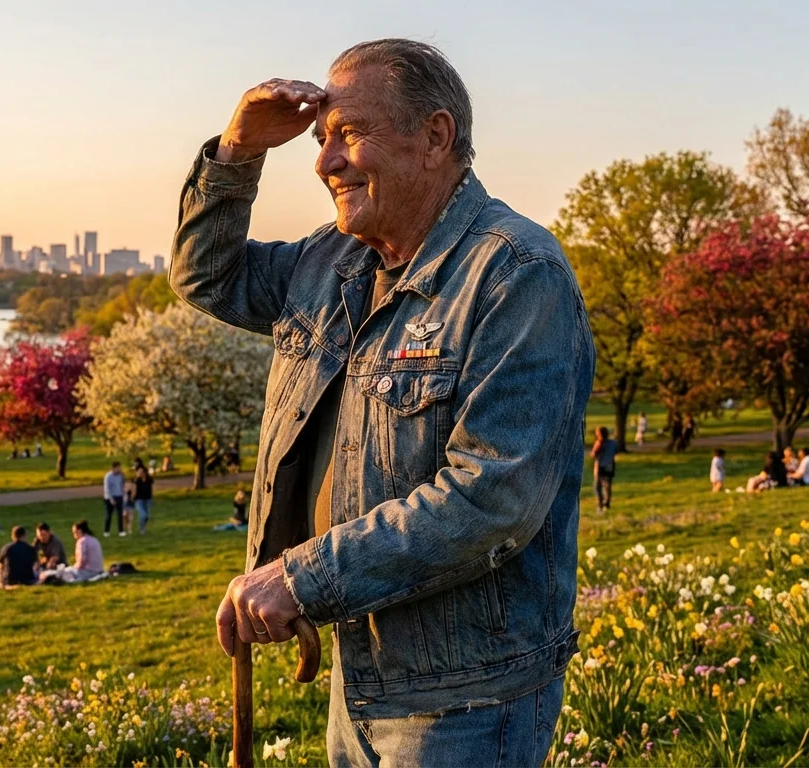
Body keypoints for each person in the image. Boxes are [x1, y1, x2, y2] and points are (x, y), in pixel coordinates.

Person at [173, 40, 591, 764]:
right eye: (319, 139)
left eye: (348, 133)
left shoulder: (516, 275)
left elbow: (492, 497)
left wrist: (302, 579)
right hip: (360, 674)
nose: (324, 162)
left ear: (434, 137)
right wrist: (238, 152)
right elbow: (207, 277)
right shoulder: (330, 262)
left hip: (467, 699)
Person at [590, 427, 618, 513]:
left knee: (598, 486)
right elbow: (616, 451)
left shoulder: (599, 443)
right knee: (607, 486)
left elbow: (593, 454)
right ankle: (607, 503)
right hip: (610, 466)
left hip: (600, 467)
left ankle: (600, 504)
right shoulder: (613, 443)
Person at [102, 462, 127, 536]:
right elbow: (107, 489)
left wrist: (124, 495)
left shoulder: (121, 476)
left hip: (119, 496)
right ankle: (106, 531)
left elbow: (122, 485)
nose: (119, 469)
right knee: (109, 515)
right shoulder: (108, 476)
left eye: (120, 467)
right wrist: (111, 499)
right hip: (109, 497)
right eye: (118, 468)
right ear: (113, 468)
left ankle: (121, 531)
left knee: (120, 514)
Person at [133, 464, 155, 535]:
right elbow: (134, 490)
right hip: (139, 500)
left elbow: (151, 490)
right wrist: (132, 498)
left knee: (147, 517)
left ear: (145, 472)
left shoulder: (149, 480)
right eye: (138, 472)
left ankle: (143, 527)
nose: (139, 473)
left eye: (141, 472)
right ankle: (142, 529)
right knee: (143, 515)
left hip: (148, 500)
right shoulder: (137, 480)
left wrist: (152, 498)